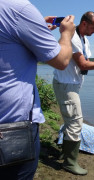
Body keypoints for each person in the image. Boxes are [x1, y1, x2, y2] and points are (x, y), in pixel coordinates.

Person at [0, 0, 76, 179]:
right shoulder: (19, 8)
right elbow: (62, 61)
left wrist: (33, 28)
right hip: (11, 128)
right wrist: (66, 35)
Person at [52, 11, 94, 175]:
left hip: (71, 85)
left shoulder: (84, 40)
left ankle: (64, 152)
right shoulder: (73, 37)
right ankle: (69, 162)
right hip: (66, 85)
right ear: (84, 24)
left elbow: (86, 62)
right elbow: (83, 65)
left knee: (71, 120)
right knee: (75, 122)